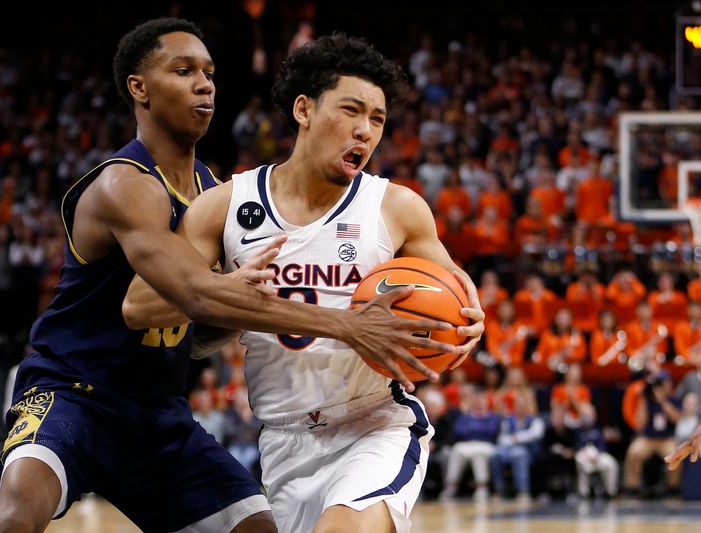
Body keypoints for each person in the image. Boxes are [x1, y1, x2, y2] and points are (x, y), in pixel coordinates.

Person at [0, 19, 460, 533]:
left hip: (158, 411)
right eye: (184, 70)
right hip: (74, 392)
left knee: (255, 529)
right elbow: (182, 297)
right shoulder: (125, 183)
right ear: (138, 88)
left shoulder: (212, 193)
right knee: (18, 515)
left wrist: (245, 306)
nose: (204, 83)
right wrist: (340, 321)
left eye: (209, 72)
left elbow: (201, 331)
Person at [124, 33, 485, 533]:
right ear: (304, 109)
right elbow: (139, 307)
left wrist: (470, 322)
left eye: (377, 120)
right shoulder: (227, 206)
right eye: (351, 111)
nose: (364, 131)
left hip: (375, 422)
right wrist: (223, 290)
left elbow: (455, 300)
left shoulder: (396, 208)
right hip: (284, 438)